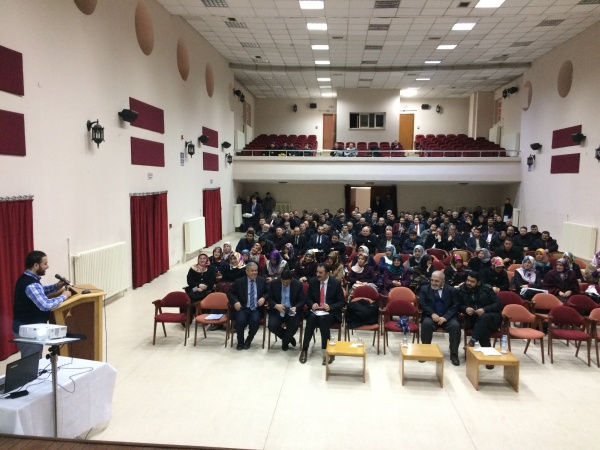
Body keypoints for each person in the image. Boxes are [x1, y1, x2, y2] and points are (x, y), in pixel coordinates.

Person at [12, 250, 72, 358]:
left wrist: (57, 286)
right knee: (31, 362)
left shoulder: (28, 278)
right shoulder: (31, 284)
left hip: (29, 329)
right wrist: (64, 296)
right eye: (45, 264)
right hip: (27, 332)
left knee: (35, 361)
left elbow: (40, 291)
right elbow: (45, 305)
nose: (47, 267)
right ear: (36, 265)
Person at [299, 263, 346, 365]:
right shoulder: (313, 282)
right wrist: (312, 304)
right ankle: (304, 349)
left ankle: (327, 351)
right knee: (311, 318)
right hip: (316, 311)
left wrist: (331, 306)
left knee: (323, 319)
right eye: (317, 272)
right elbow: (308, 298)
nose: (318, 274)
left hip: (330, 313)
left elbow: (342, 302)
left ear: (327, 273)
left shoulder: (335, 283)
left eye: (320, 273)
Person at [458, 272, 503, 368]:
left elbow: (499, 304)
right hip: (474, 320)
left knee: (484, 318)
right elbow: (458, 305)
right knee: (483, 330)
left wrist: (485, 309)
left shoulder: (486, 289)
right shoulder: (462, 290)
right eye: (468, 280)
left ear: (478, 283)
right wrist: (465, 309)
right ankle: (489, 359)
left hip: (492, 318)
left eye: (472, 281)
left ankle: (472, 341)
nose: (469, 283)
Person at [419, 271, 461, 366]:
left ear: (443, 281)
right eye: (432, 280)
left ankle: (454, 354)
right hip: (431, 316)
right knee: (426, 324)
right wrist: (432, 314)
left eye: (437, 281)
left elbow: (455, 305)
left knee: (455, 326)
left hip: (447, 318)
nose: (433, 283)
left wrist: (446, 317)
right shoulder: (425, 289)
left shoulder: (452, 290)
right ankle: (425, 352)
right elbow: (422, 304)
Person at [227, 262, 268, 350]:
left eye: (256, 271)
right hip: (243, 308)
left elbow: (269, 292)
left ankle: (249, 340)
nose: (254, 273)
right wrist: (235, 302)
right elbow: (230, 293)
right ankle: (240, 341)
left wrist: (264, 298)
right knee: (240, 321)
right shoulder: (239, 281)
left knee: (255, 321)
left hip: (256, 308)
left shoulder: (262, 281)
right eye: (252, 271)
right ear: (246, 271)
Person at [268, 270, 304, 351]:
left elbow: (302, 300)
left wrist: (296, 307)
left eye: (287, 282)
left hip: (291, 309)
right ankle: (289, 338)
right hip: (278, 309)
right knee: (271, 325)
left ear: (291, 279)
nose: (284, 284)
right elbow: (270, 299)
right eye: (283, 282)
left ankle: (285, 342)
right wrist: (276, 305)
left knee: (294, 324)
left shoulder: (297, 284)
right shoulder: (274, 283)